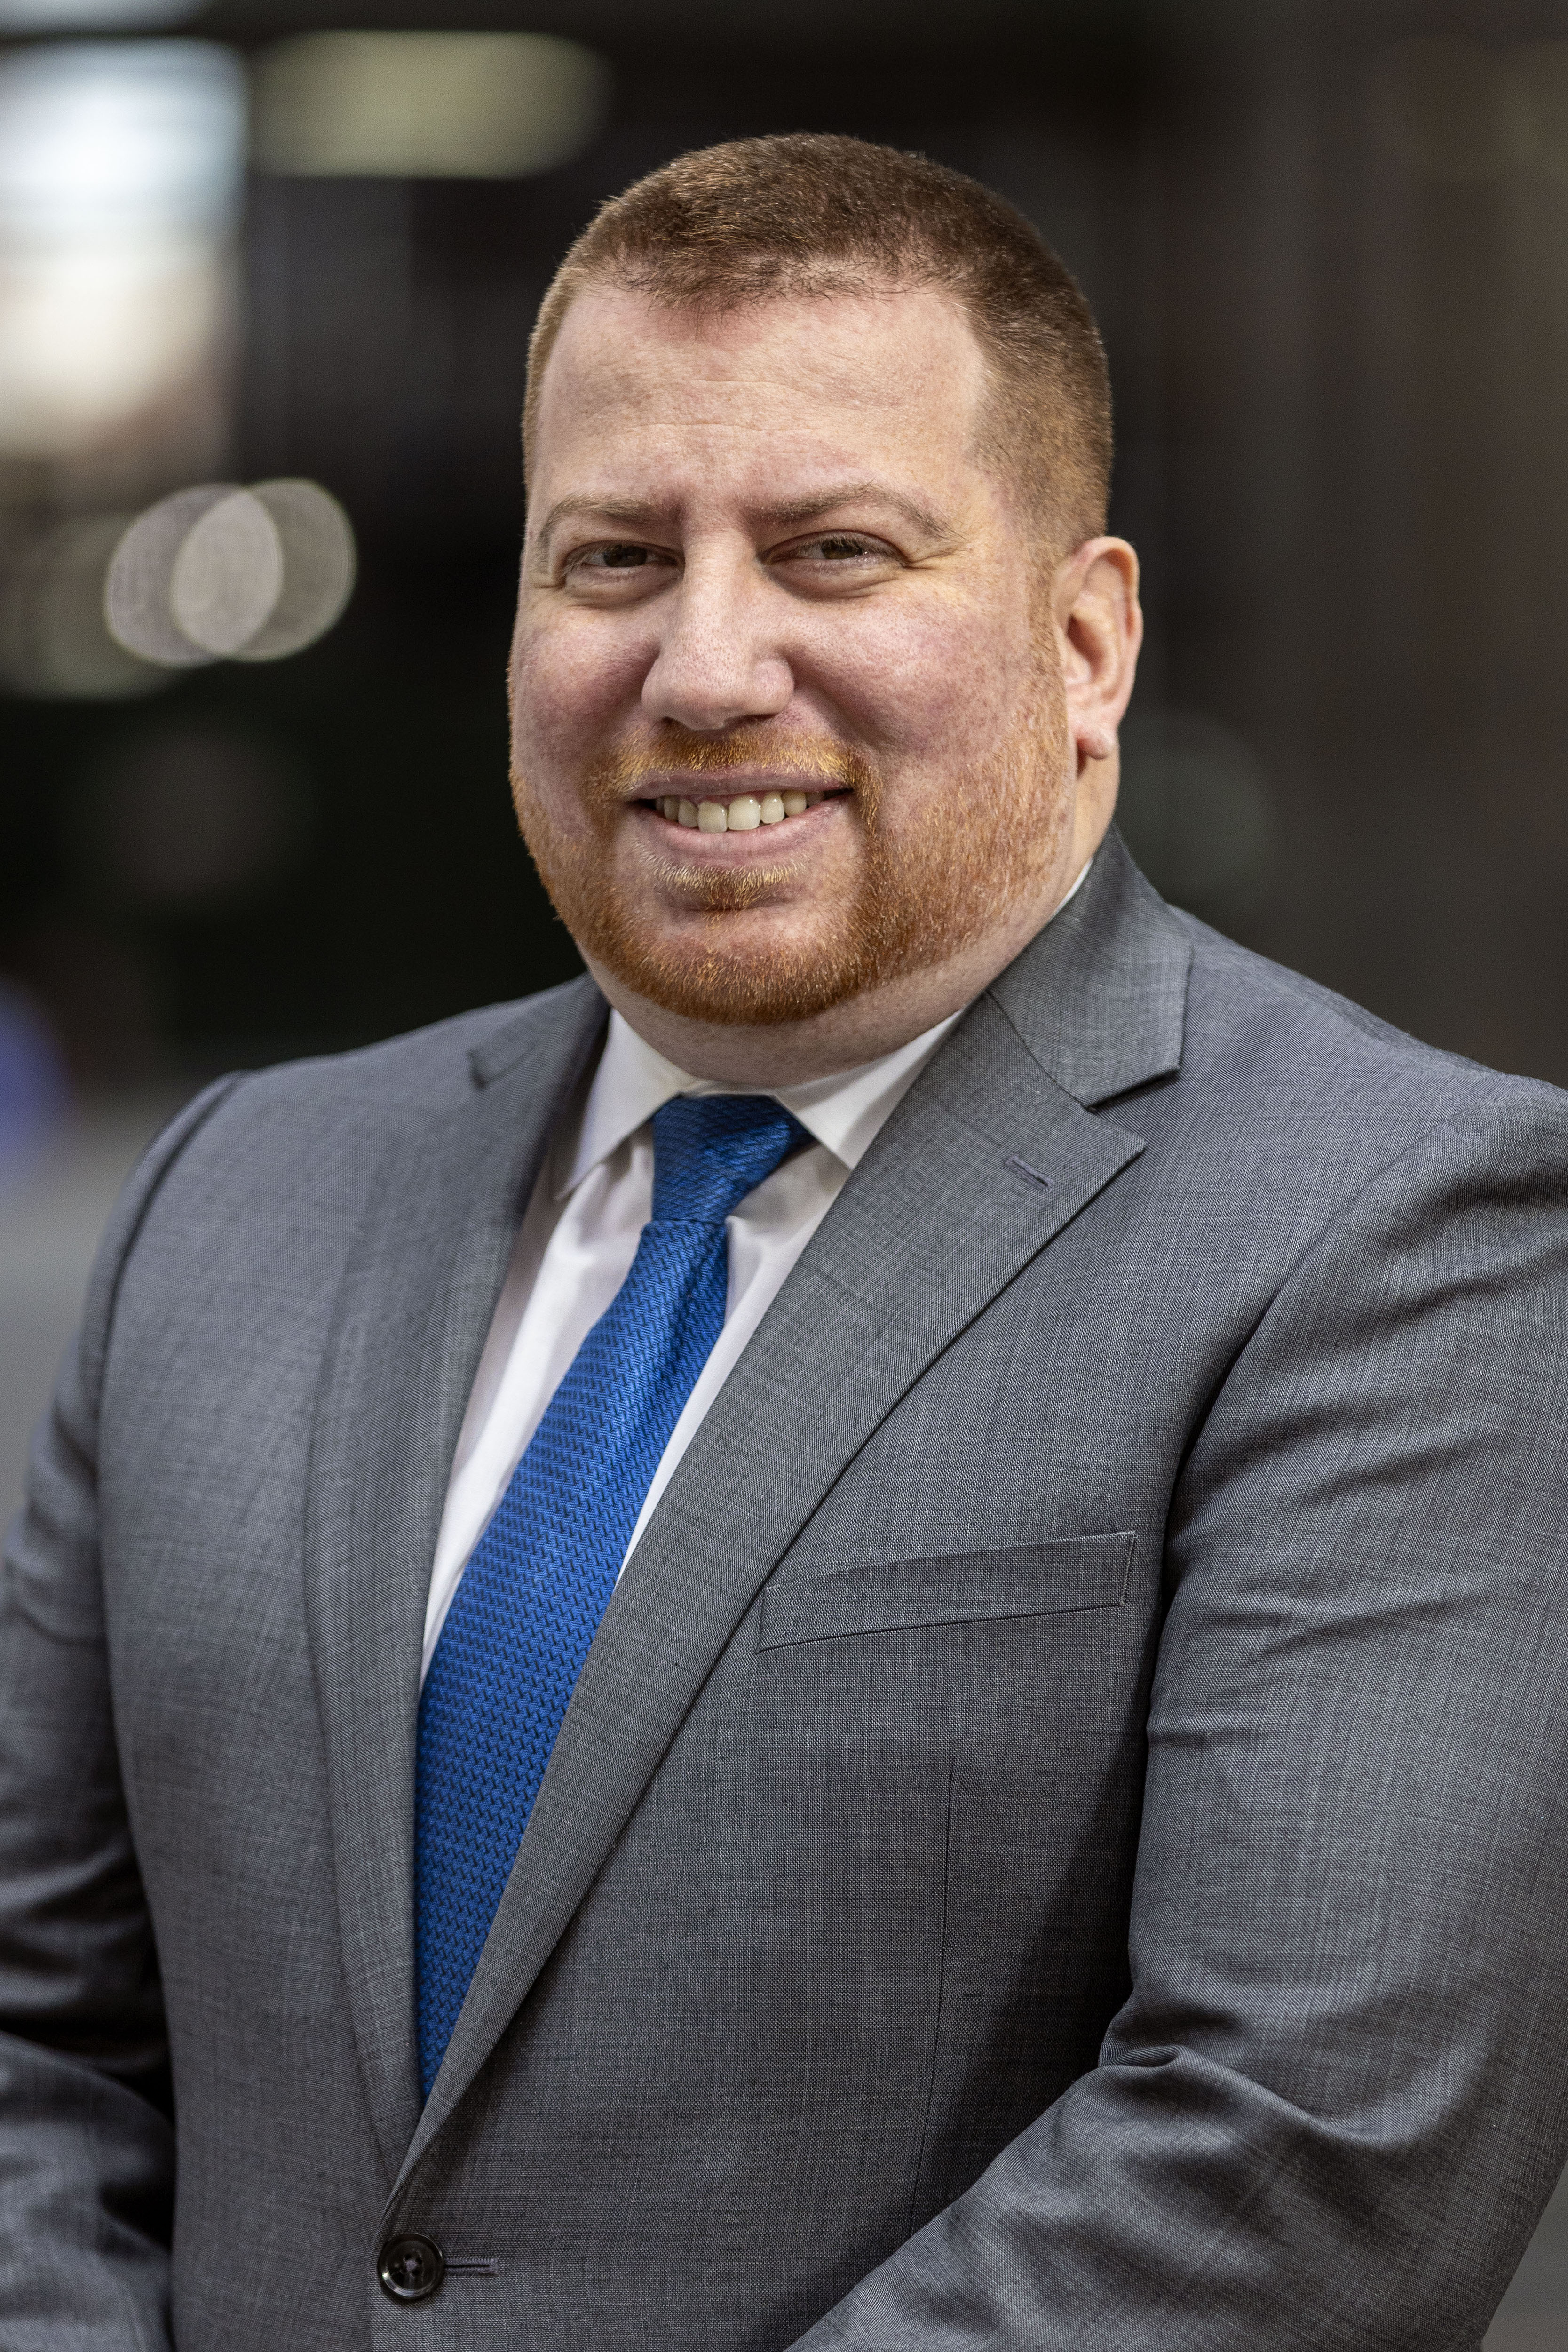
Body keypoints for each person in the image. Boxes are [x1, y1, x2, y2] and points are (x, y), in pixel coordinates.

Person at [2, 133, 1567, 2352]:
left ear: (1086, 635)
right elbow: (30, 2033)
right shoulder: (234, 1192)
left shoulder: (1404, 1231)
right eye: (612, 555)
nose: (705, 661)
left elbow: (1295, 2163)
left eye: (835, 549)